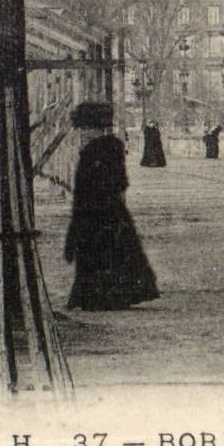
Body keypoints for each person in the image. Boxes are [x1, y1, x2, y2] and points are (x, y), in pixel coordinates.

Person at [64, 103, 160, 310]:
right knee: (115, 252)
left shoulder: (90, 152)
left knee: (96, 253)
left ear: (91, 128)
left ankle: (96, 297)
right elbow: (121, 182)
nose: (81, 134)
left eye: (84, 129)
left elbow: (83, 188)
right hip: (112, 210)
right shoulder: (113, 147)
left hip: (93, 211)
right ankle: (113, 295)